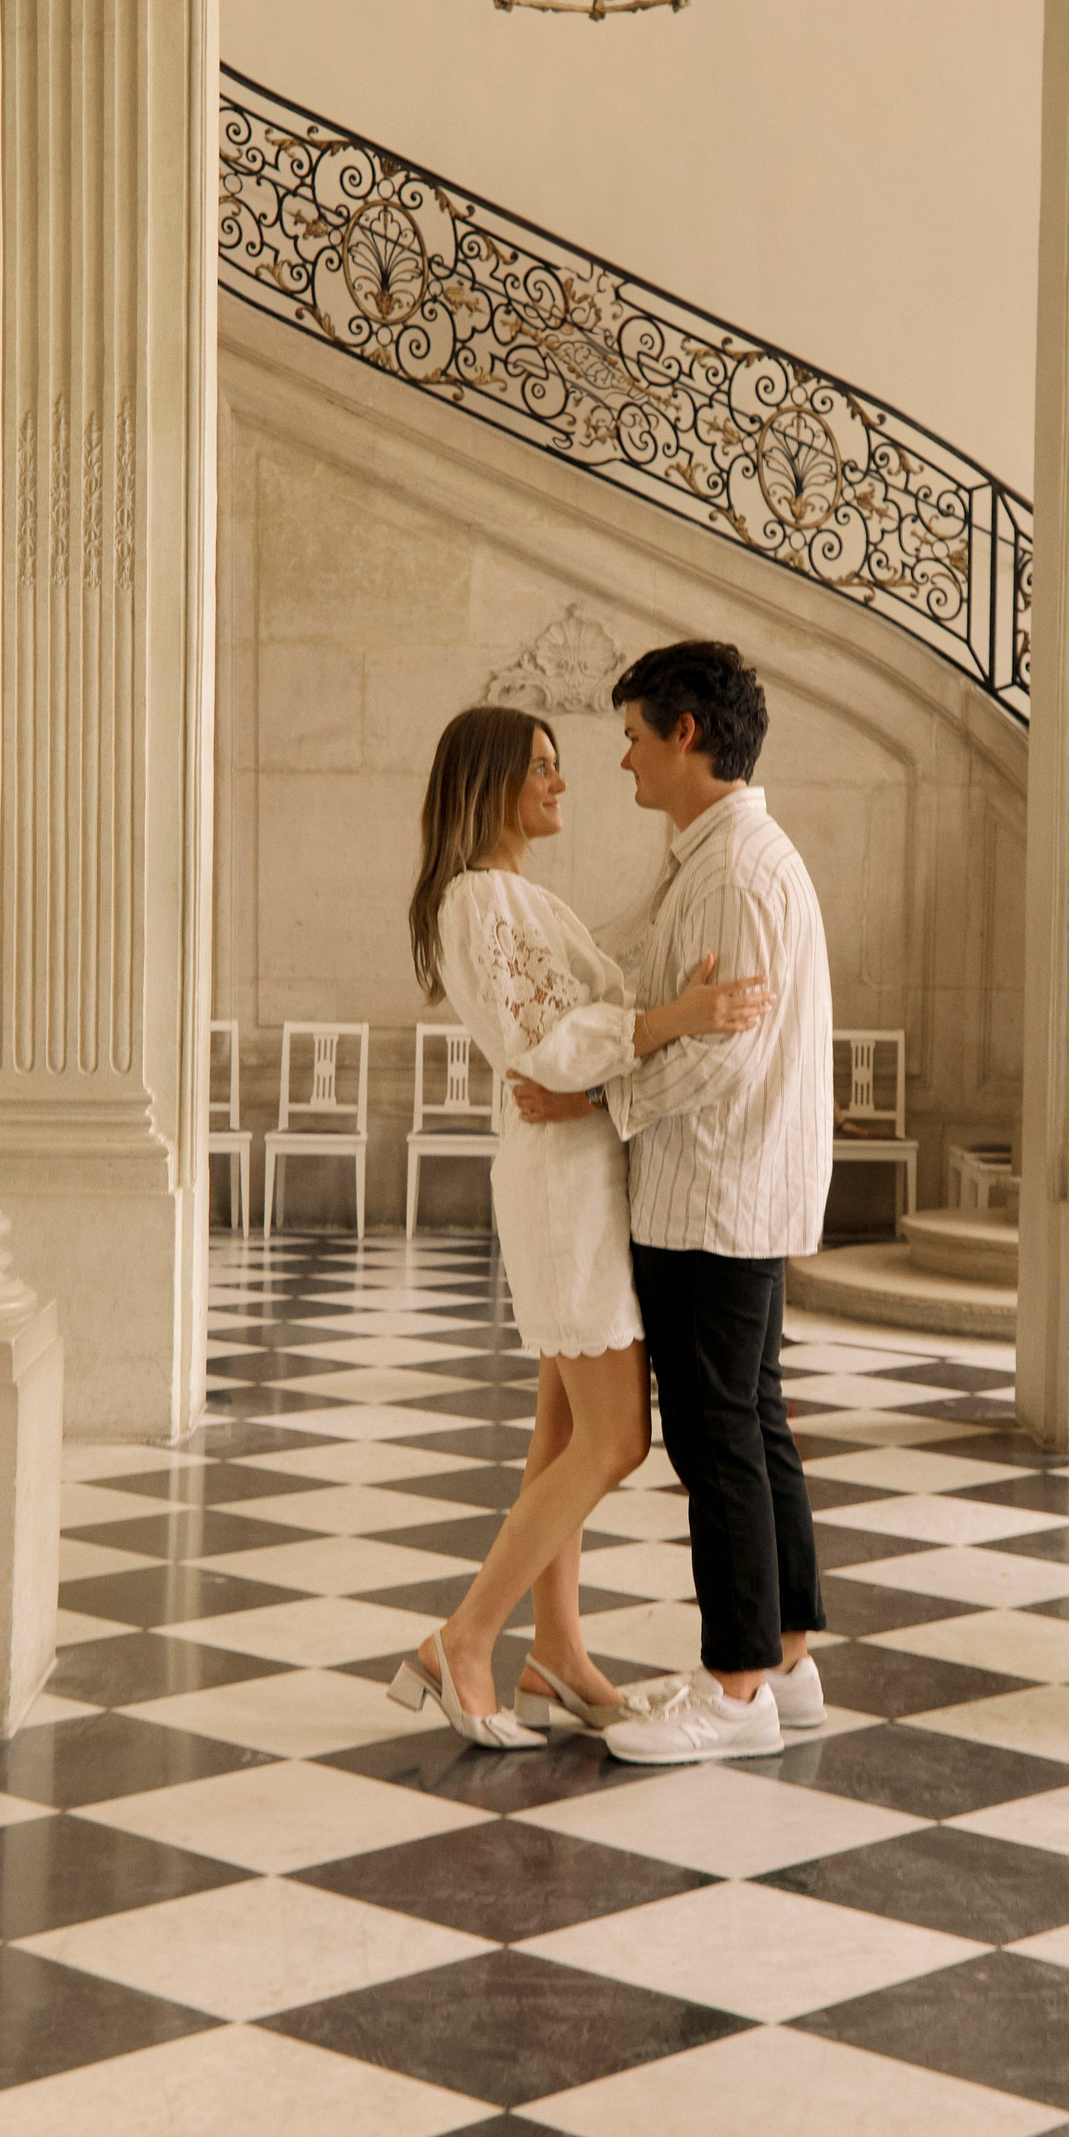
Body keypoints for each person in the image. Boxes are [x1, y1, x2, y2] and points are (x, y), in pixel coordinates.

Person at [389, 702, 768, 1750]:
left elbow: (586, 1019)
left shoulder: (521, 896)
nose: (562, 783)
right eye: (543, 767)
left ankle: (557, 1650)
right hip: (563, 1189)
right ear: (491, 782)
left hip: (588, 1171)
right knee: (617, 1438)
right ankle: (464, 1641)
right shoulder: (477, 900)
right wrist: (676, 1020)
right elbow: (543, 1046)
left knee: (561, 1433)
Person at [512, 641, 833, 1762]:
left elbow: (722, 1056)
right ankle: (784, 1660)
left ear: (685, 733)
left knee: (716, 1442)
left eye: (635, 738)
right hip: (730, 1187)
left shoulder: (735, 870)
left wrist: (593, 1093)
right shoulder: (715, 855)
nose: (624, 762)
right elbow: (650, 976)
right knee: (754, 1422)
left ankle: (735, 1692)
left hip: (712, 1193)